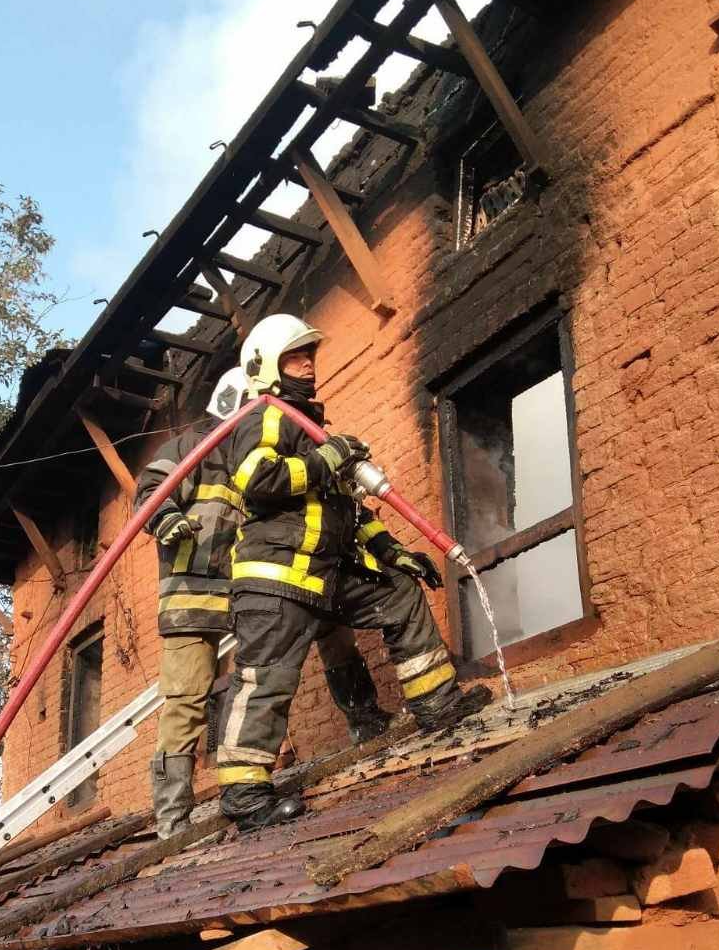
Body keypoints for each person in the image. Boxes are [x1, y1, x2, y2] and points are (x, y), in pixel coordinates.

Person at [214, 314, 489, 831]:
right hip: (277, 577)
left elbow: (351, 512)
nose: (308, 365)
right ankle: (245, 795)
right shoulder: (266, 415)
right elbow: (259, 478)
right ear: (268, 367)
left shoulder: (312, 428)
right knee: (267, 679)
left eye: (311, 355)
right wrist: (328, 457)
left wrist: (392, 551)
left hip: (326, 575)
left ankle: (436, 704)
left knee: (400, 592)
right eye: (296, 357)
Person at [136, 369, 394, 839]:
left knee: (333, 630)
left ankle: (365, 720)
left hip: (262, 586)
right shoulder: (190, 448)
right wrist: (167, 519)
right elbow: (150, 493)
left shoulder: (268, 448)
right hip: (196, 594)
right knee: (188, 698)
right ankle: (173, 818)